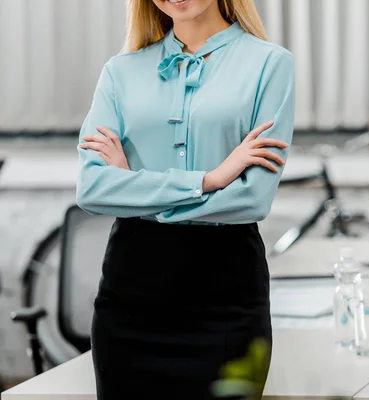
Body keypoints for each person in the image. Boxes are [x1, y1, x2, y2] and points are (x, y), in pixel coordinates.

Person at [75, 0, 295, 398]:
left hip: (226, 292)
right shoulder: (120, 72)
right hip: (131, 296)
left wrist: (134, 188)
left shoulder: (270, 65)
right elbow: (92, 188)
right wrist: (209, 180)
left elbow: (252, 199)